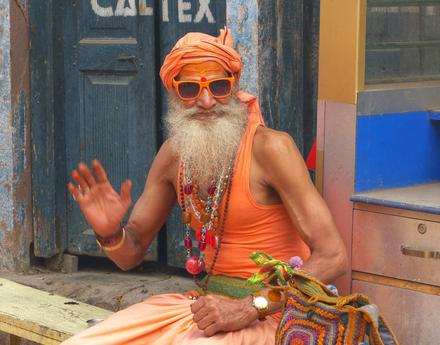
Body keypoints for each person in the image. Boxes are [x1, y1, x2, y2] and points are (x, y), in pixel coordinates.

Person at [63, 27, 347, 345]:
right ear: (174, 94)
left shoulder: (271, 149)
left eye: (219, 86)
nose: (207, 101)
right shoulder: (173, 156)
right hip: (206, 312)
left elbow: (333, 256)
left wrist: (250, 307)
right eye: (190, 90)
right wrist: (110, 233)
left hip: (280, 315)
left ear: (234, 86)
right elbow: (131, 254)